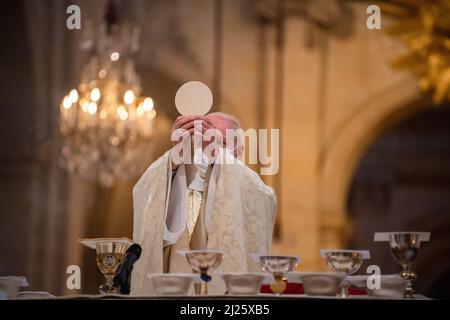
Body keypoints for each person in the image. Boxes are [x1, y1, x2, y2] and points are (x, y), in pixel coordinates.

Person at [131, 112, 277, 295]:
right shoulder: (177, 179)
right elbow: (145, 193)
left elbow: (266, 199)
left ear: (239, 152)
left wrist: (218, 156)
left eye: (221, 142)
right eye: (200, 140)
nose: (206, 147)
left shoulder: (252, 186)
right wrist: (174, 160)